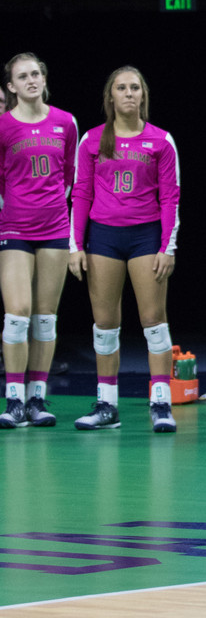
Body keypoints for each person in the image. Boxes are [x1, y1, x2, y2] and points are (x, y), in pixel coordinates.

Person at [69, 67, 181, 433]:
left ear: (143, 96)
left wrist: (168, 246)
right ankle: (106, 405)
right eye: (122, 87)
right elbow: (81, 194)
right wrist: (75, 246)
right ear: (111, 97)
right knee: (105, 325)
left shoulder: (161, 141)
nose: (129, 93)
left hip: (146, 237)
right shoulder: (91, 141)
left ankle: (161, 403)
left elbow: (170, 197)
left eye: (135, 87)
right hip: (103, 238)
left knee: (153, 321)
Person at [0, 52, 78, 429]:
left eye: (36, 74)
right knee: (17, 314)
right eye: (22, 76)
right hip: (14, 229)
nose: (31, 80)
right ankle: (13, 399)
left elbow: (69, 177)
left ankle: (37, 398)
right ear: (11, 86)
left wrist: (50, 211)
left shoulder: (66, 122)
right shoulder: (2, 126)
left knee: (45, 319)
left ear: (44, 80)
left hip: (54, 230)